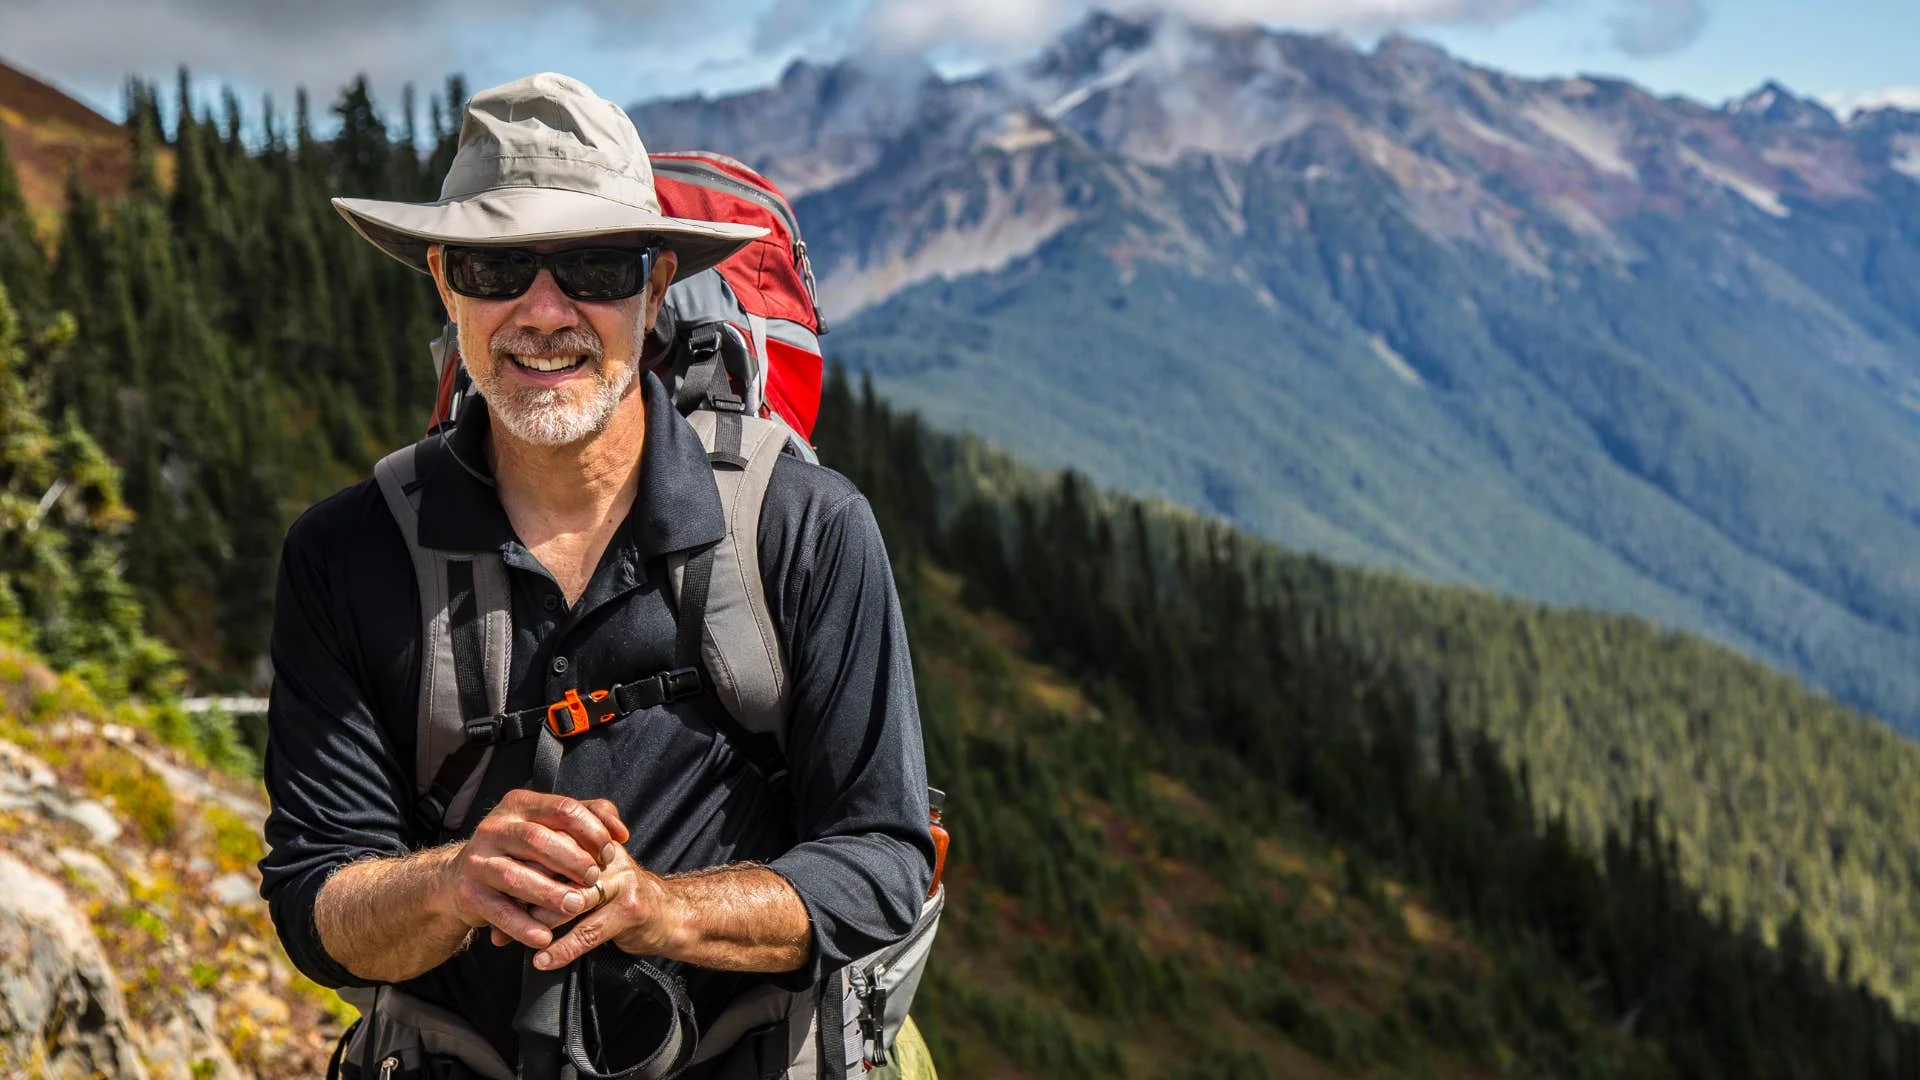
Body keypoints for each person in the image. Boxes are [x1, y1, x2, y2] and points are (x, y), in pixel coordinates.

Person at [258, 73, 934, 1078]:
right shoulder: (344, 557)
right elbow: (317, 899)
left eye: (596, 267)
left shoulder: (805, 527)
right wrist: (456, 883)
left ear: (655, 286)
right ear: (444, 282)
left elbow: (881, 862)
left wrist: (660, 909)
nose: (543, 311)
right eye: (497, 270)